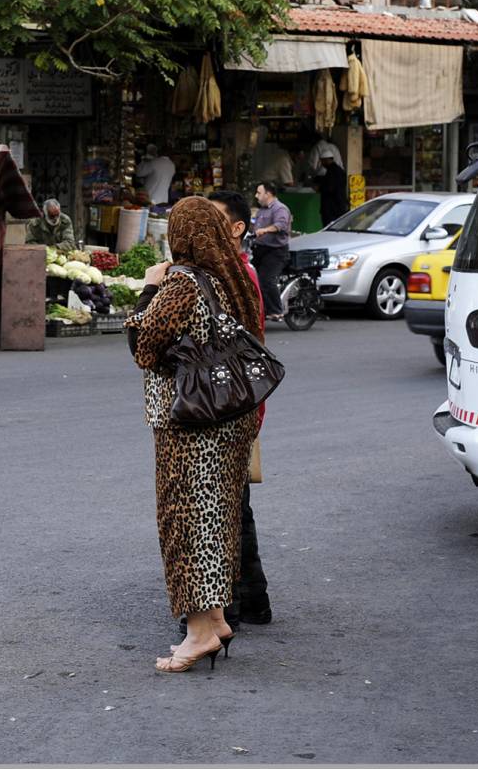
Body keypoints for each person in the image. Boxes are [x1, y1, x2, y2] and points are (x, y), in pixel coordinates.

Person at [125, 196, 263, 673]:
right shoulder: (228, 278)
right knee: (217, 521)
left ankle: (199, 632)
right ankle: (217, 618)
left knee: (185, 524)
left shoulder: (182, 284)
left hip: (189, 423)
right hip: (228, 420)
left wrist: (147, 289)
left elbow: (144, 346)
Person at [206, 190, 273, 628]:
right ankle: (252, 599)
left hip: (225, 406)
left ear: (235, 229)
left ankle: (224, 606)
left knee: (217, 505)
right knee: (235, 503)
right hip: (236, 402)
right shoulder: (232, 273)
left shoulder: (232, 278)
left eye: (211, 220)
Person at [251, 181, 292, 321]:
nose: (256, 196)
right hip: (260, 250)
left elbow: (281, 225)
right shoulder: (262, 210)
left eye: (259, 193)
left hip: (276, 251)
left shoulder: (280, 209)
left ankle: (276, 310)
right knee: (249, 277)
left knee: (266, 280)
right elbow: (254, 227)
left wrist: (266, 230)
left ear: (268, 194)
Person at [316, 153, 349, 226]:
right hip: (340, 206)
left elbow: (330, 188)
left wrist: (320, 188)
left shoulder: (331, 171)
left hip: (331, 208)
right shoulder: (339, 170)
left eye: (322, 161)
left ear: (326, 160)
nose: (322, 164)